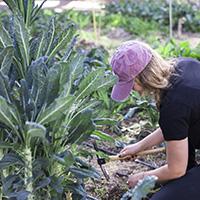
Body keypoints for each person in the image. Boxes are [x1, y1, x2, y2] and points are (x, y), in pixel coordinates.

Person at [110, 40, 200, 200]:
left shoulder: (174, 105)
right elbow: (176, 127)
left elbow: (176, 169)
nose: (131, 90)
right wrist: (138, 146)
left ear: (143, 77)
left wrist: (143, 177)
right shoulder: (184, 65)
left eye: (131, 84)